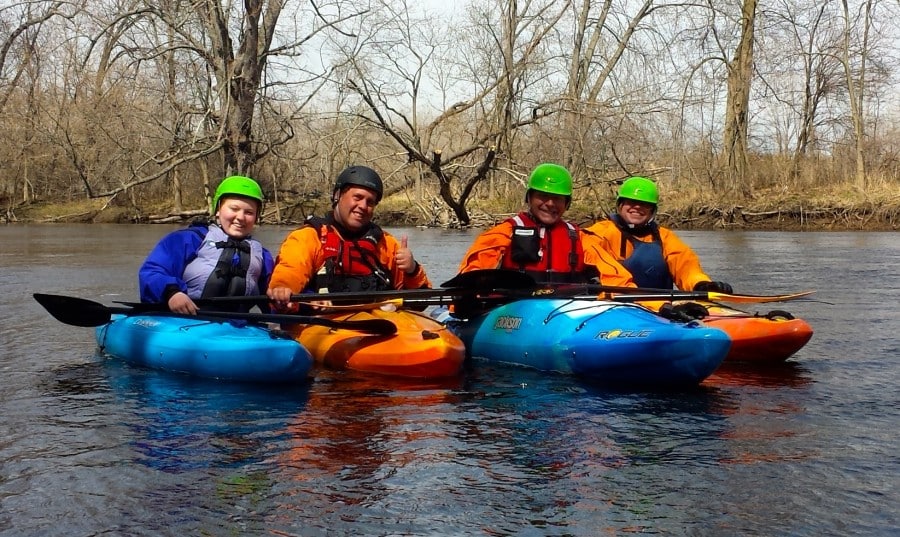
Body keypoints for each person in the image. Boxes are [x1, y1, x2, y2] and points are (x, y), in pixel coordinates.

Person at [266, 165, 431, 310]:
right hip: (324, 326)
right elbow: (290, 270)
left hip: (379, 324)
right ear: (338, 195)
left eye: (370, 202)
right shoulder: (308, 237)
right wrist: (283, 288)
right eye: (357, 197)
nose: (363, 206)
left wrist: (412, 269)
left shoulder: (386, 244)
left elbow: (420, 303)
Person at [457, 162, 636, 288]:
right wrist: (467, 301)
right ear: (529, 198)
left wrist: (656, 305)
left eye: (558, 199)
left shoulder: (580, 238)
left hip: (565, 315)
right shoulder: (503, 233)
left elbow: (617, 278)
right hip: (515, 314)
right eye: (542, 196)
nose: (550, 204)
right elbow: (473, 275)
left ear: (567, 203)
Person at [138, 175, 275, 314]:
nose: (240, 217)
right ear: (218, 210)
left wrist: (282, 301)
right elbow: (152, 272)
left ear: (256, 217)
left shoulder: (262, 256)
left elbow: (273, 297)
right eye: (234, 209)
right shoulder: (187, 240)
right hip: (183, 320)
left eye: (249, 212)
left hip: (235, 328)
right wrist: (172, 294)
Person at [584, 176, 733, 295]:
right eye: (631, 202)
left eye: (644, 204)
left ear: (652, 210)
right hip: (615, 307)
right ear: (620, 205)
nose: (637, 207)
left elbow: (686, 266)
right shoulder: (599, 233)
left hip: (660, 307)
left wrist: (701, 284)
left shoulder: (664, 237)